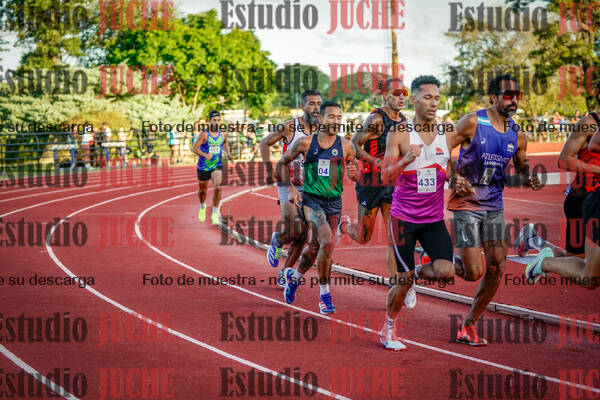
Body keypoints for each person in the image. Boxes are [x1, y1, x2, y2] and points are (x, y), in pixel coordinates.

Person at [448, 74, 542, 345]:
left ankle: (468, 325)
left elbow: (522, 166)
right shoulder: (472, 122)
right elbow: (441, 150)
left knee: (498, 266)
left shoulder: (518, 133)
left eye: (517, 95)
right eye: (507, 95)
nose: (513, 100)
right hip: (466, 202)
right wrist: (453, 176)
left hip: (493, 205)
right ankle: (441, 258)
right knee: (473, 272)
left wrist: (529, 177)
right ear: (493, 97)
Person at [379, 75, 458, 351]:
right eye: (427, 97)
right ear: (413, 99)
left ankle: (415, 273)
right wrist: (406, 159)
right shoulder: (400, 133)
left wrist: (456, 179)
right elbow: (385, 176)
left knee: (446, 271)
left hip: (433, 219)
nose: (433, 103)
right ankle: (388, 328)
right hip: (404, 219)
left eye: (437, 98)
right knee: (402, 281)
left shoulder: (448, 131)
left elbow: (448, 166)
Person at [517, 84, 600, 289]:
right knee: (579, 264)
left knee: (584, 267)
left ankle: (532, 240)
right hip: (581, 201)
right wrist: (598, 170)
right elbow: (563, 160)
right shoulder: (588, 124)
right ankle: (535, 243)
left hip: (594, 200)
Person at [277, 101, 357, 314]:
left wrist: (356, 173)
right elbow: (282, 163)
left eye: (339, 117)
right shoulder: (305, 143)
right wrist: (291, 189)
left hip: (334, 203)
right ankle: (324, 295)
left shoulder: (346, 146)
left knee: (314, 249)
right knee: (328, 242)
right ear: (321, 118)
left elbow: (355, 169)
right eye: (331, 116)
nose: (336, 121)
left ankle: (295, 279)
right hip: (311, 201)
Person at [339, 77, 414, 304]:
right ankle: (344, 225)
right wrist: (374, 161)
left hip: (392, 184)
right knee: (364, 236)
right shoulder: (376, 119)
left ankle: (397, 285)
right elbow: (353, 144)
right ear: (385, 95)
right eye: (397, 93)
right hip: (370, 184)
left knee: (394, 237)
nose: (402, 97)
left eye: (404, 92)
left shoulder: (405, 121)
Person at [259, 90, 322, 286]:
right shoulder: (290, 127)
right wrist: (269, 169)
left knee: (303, 236)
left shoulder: (323, 129)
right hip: (288, 182)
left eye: (319, 104)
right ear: (303, 106)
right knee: (294, 230)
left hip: (311, 187)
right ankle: (278, 240)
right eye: (311, 104)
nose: (316, 108)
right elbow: (264, 142)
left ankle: (285, 272)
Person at [193, 111, 233, 225]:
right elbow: (195, 148)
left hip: (217, 165)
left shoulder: (223, 134)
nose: (216, 122)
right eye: (214, 120)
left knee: (218, 187)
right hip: (203, 166)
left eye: (218, 120)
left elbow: (225, 143)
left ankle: (215, 213)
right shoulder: (204, 134)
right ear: (209, 121)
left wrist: (228, 153)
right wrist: (205, 155)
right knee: (202, 190)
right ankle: (202, 206)